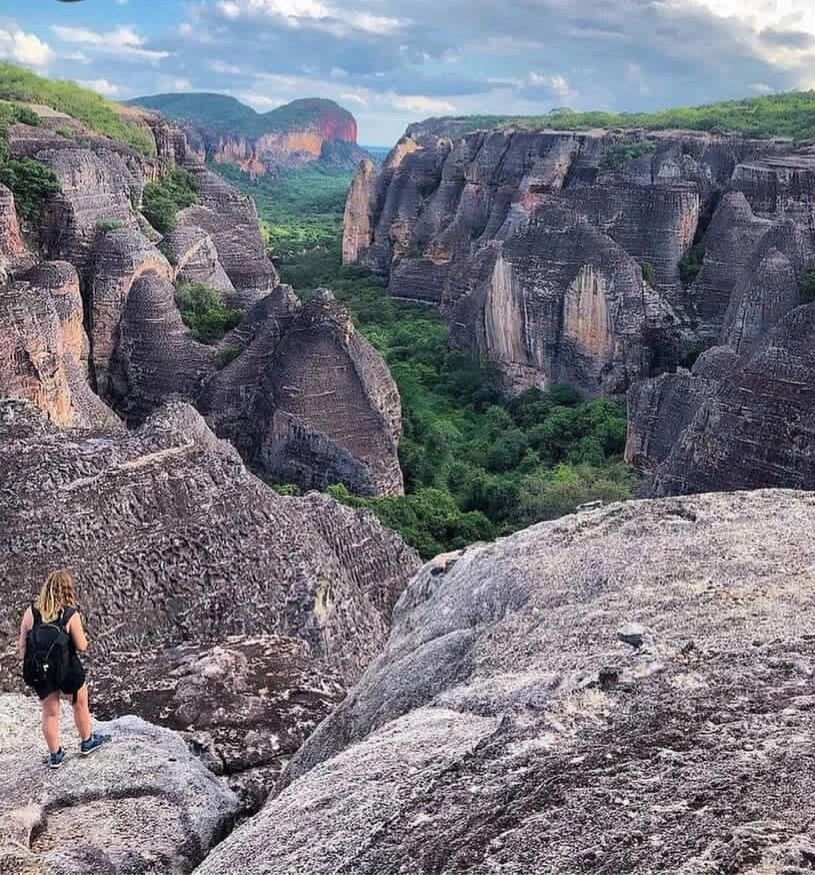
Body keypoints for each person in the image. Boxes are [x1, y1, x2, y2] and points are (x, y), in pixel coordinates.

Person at [17, 569, 109, 769]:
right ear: (67, 590)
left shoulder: (31, 613)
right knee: (80, 703)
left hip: (41, 672)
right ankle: (87, 741)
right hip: (67, 670)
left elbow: (22, 646)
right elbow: (82, 646)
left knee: (50, 713)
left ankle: (55, 755)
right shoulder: (69, 614)